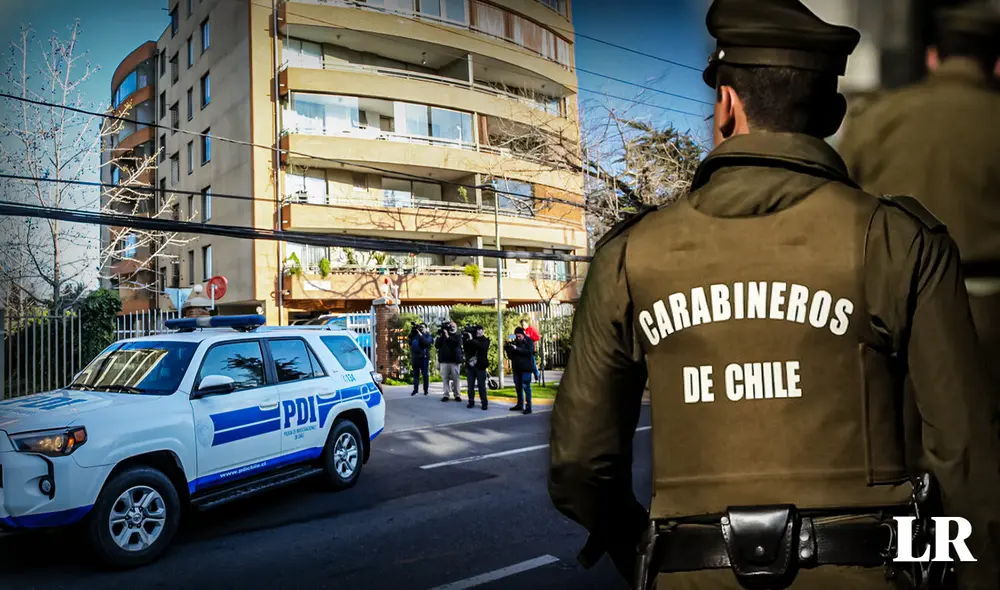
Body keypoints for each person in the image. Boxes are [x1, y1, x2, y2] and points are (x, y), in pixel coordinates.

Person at [548, 1, 1000, 589]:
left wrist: (647, 552)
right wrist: (934, 568)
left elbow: (580, 464)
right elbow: (963, 462)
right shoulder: (899, 241)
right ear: (832, 113)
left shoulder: (630, 256)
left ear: (727, 106)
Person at [837, 2, 1000, 382]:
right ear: (995, 63)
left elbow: (839, 204)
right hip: (989, 319)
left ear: (932, 57)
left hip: (894, 316)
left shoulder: (877, 118)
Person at [504, 327, 536, 415]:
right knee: (518, 387)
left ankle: (528, 406)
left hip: (526, 368)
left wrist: (517, 349)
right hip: (516, 368)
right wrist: (508, 349)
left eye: (519, 336)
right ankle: (519, 404)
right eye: (516, 336)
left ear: (523, 334)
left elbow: (529, 352)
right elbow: (510, 356)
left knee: (526, 387)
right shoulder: (515, 342)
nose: (518, 338)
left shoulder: (528, 341)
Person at [462, 325, 490, 410]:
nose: (478, 332)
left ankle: (484, 402)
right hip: (471, 366)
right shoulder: (470, 339)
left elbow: (482, 347)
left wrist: (471, 340)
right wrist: (466, 339)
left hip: (481, 366)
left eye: (480, 330)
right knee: (470, 385)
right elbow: (466, 348)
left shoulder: (486, 340)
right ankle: (471, 401)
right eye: (477, 330)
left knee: (481, 385)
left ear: (483, 331)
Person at [436, 322, 463, 402]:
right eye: (451, 326)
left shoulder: (458, 336)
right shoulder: (443, 335)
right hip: (444, 360)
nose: (452, 328)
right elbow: (437, 345)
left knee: (456, 379)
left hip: (454, 361)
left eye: (454, 326)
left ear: (456, 327)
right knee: (445, 379)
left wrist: (447, 335)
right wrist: (440, 336)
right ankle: (446, 394)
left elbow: (455, 344)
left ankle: (457, 395)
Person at [409, 323, 433, 396]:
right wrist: (412, 332)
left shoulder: (428, 336)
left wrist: (420, 334)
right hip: (415, 357)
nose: (421, 328)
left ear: (426, 328)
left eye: (422, 327)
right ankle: (415, 390)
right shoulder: (415, 335)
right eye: (420, 327)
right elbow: (410, 343)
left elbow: (426, 342)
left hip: (424, 358)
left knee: (425, 374)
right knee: (416, 375)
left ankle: (426, 390)